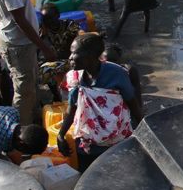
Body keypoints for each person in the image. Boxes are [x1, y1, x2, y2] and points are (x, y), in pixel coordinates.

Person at [56, 34, 143, 171]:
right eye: (70, 53)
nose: (70, 57)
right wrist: (61, 135)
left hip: (116, 141)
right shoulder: (75, 76)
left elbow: (133, 105)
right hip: (87, 143)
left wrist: (143, 133)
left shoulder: (117, 74)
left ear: (90, 55)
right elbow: (71, 109)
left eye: (74, 53)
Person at [37, 4, 82, 98]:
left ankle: (63, 95)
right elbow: (37, 52)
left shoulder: (69, 25)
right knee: (43, 69)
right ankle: (56, 95)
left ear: (58, 15)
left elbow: (81, 35)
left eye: (51, 18)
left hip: (71, 61)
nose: (49, 21)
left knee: (48, 69)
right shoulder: (43, 31)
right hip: (56, 63)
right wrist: (42, 36)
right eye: (45, 19)